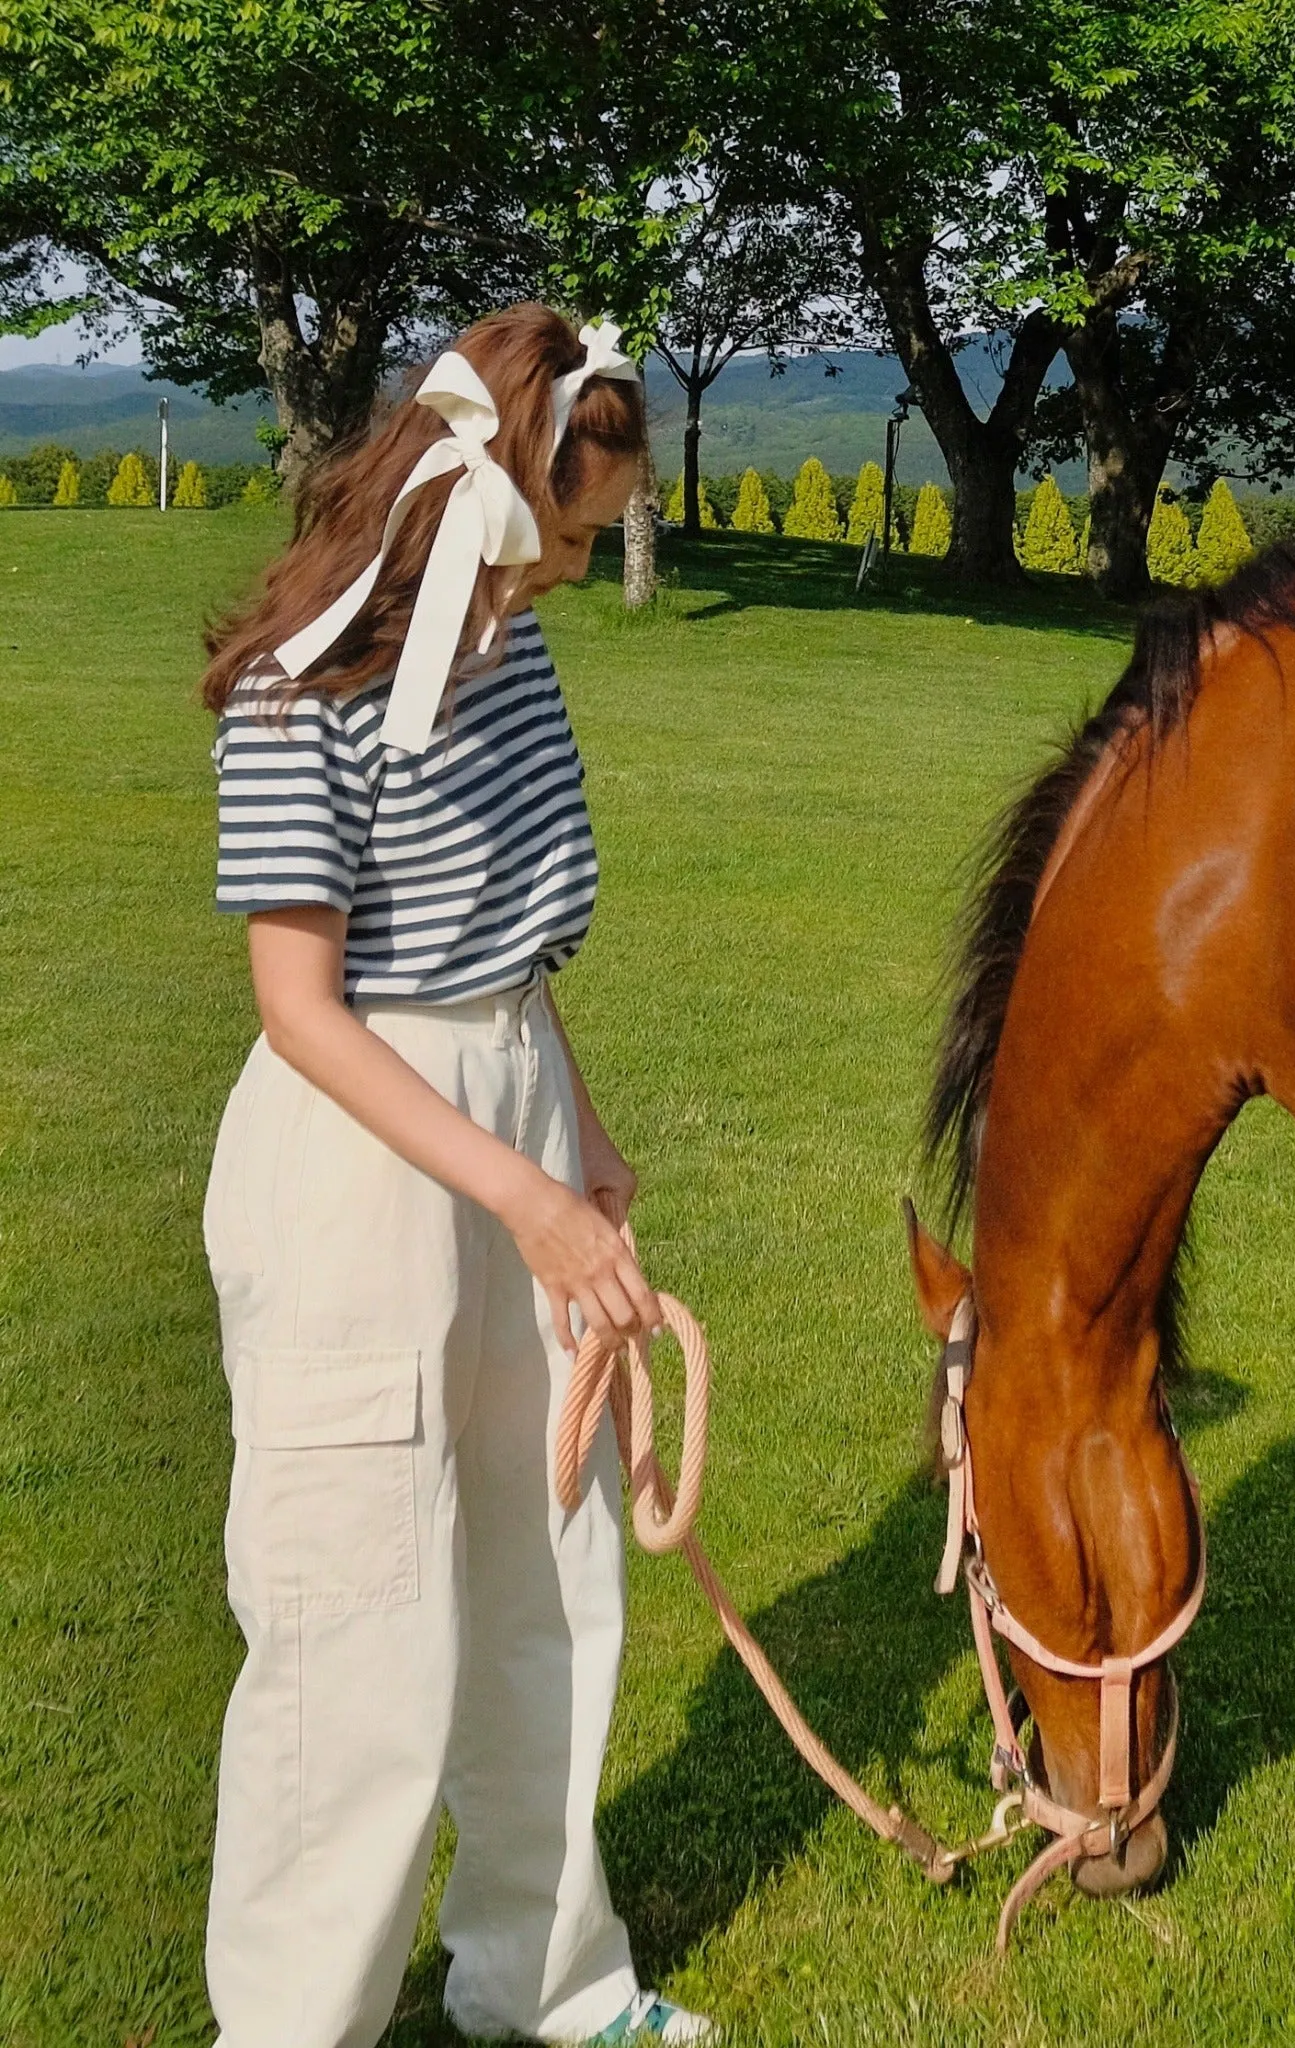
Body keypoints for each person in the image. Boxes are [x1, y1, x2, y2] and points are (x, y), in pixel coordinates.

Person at [198, 304, 715, 2047]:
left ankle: (548, 1981)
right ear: (492, 496)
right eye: (573, 532)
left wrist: (580, 1138)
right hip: (361, 1153)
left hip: (512, 1114)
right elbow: (299, 1009)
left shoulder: (515, 654)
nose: (579, 568)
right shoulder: (304, 682)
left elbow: (511, 958)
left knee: (549, 1577)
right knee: (355, 1620)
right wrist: (519, 1191)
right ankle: (291, 2026)